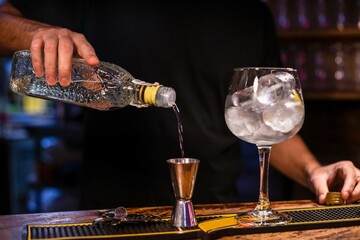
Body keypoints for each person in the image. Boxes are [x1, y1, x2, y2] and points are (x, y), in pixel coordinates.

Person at [0, 0, 359, 210]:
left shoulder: (249, 13)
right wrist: (35, 33)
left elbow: (265, 121)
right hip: (114, 212)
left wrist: (314, 170)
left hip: (215, 211)